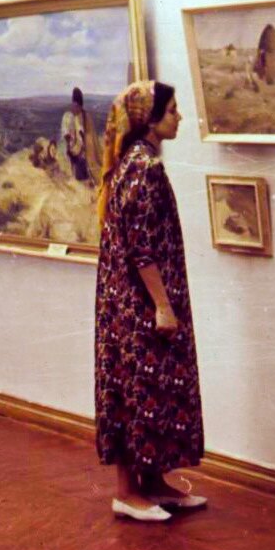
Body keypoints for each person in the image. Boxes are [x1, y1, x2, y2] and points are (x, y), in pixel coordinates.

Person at [94, 80, 206, 523]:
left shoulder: (131, 163)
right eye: (172, 110)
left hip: (130, 300)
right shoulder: (144, 168)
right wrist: (162, 305)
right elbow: (141, 248)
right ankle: (127, 493)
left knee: (151, 389)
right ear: (150, 118)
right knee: (135, 391)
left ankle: (154, 483)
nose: (179, 117)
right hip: (141, 304)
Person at [59, 87, 102, 185]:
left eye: (78, 106)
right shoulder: (68, 116)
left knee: (84, 175)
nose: (76, 108)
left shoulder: (85, 117)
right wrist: (70, 147)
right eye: (75, 105)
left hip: (83, 153)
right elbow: (67, 135)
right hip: (73, 150)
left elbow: (88, 138)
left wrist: (82, 149)